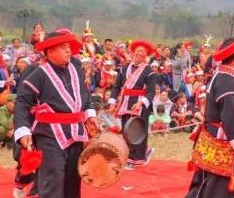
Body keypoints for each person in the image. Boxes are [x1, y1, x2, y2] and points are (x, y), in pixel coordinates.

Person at [13, 29, 98, 198]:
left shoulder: (77, 70)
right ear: (50, 51)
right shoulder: (38, 74)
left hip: (76, 133)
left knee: (72, 181)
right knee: (52, 181)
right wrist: (23, 129)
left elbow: (85, 96)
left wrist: (90, 115)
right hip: (49, 135)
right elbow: (22, 102)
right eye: (63, 47)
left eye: (69, 47)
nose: (68, 50)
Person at [185, 31, 234, 198]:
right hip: (223, 146)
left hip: (215, 140)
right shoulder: (229, 83)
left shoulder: (223, 75)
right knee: (220, 191)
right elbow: (231, 125)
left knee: (207, 188)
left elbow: (226, 116)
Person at [108, 39, 157, 169]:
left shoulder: (150, 71)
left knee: (137, 131)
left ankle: (135, 159)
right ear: (133, 53)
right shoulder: (124, 68)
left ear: (146, 55)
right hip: (125, 102)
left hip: (140, 105)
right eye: (137, 52)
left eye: (142, 53)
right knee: (126, 130)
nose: (139, 54)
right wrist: (112, 102)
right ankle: (133, 154)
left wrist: (141, 103)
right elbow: (116, 87)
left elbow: (151, 92)